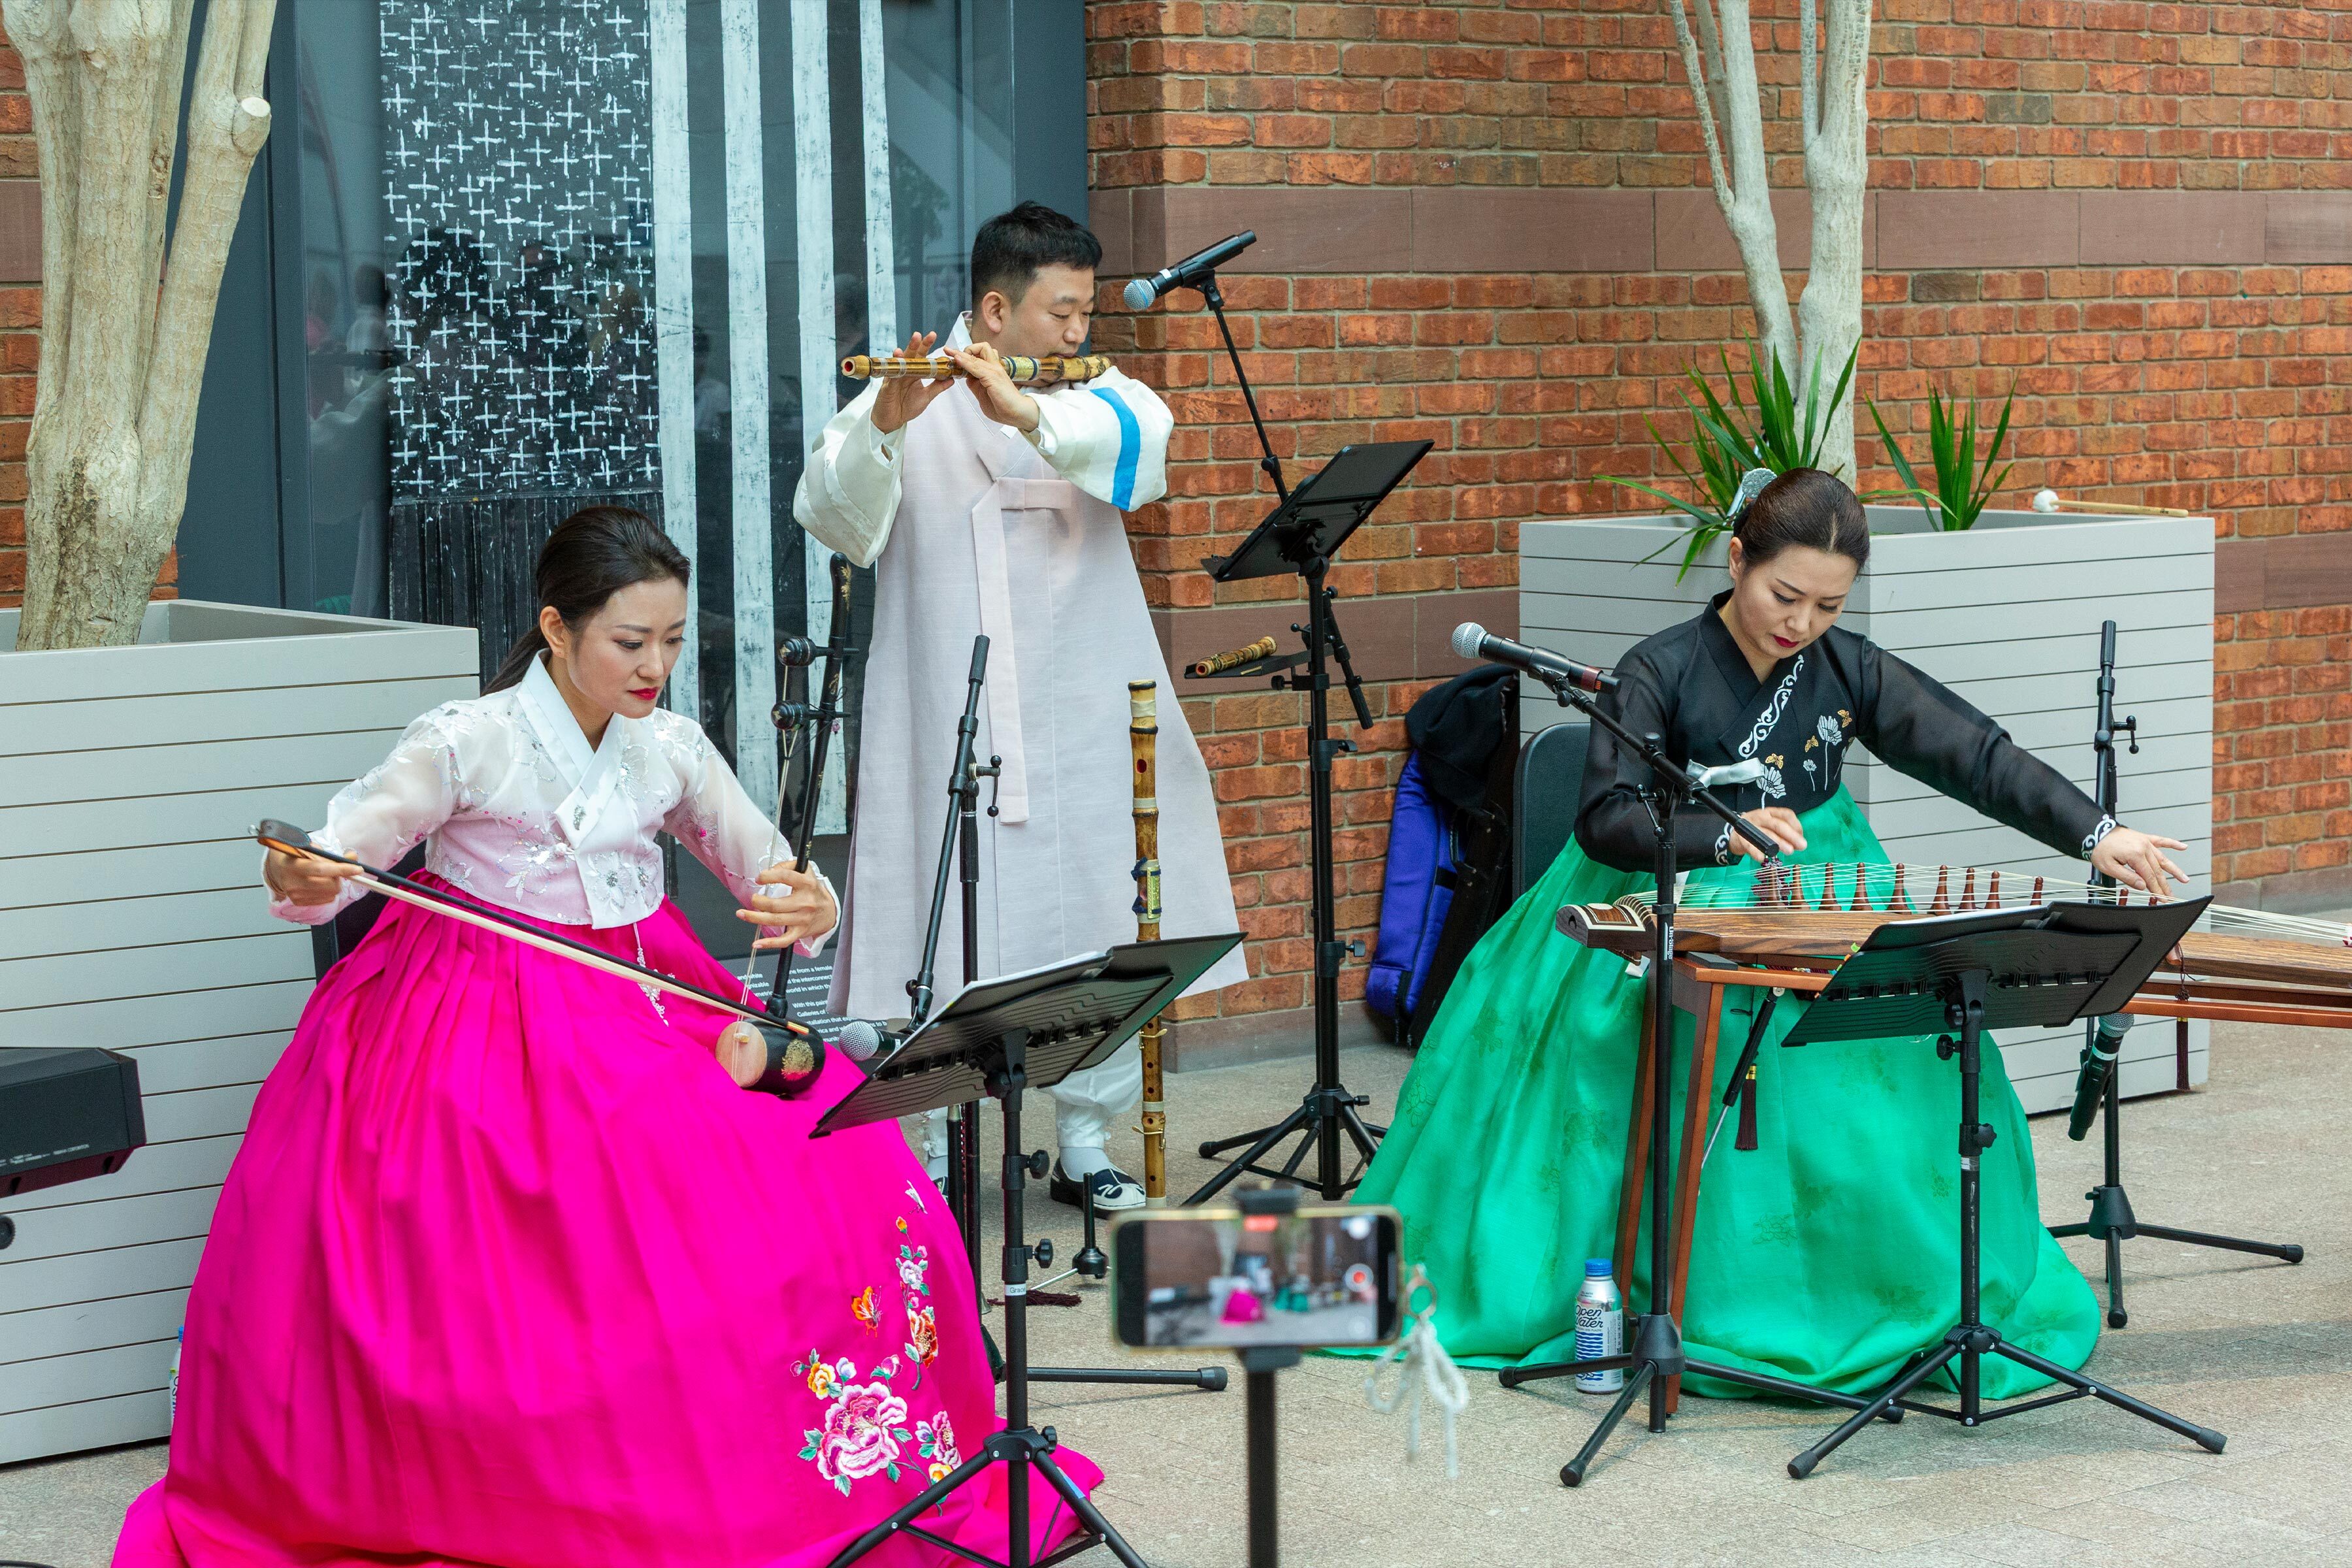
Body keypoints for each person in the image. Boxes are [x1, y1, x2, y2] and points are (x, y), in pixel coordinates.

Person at [116, 508, 1097, 1568]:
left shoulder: (665, 746)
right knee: (604, 1210)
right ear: (555, 627)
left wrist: (809, 900)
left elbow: (766, 864)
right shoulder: (466, 737)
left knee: (829, 1138)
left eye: (673, 641)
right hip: (473, 1013)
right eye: (632, 642)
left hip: (643, 988)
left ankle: (818, 1453)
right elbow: (327, 854)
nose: (657, 666)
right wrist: (299, 870)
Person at [1353, 468, 2191, 1399]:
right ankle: (1670, 1299)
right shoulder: (1657, 669)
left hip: (1822, 880)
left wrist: (2097, 832)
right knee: (1633, 1089)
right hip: (1666, 885)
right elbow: (1606, 818)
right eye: (1783, 595)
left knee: (1883, 1093)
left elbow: (1972, 753)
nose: (1800, 623)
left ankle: (1875, 1299)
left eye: (1827, 605)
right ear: (1737, 558)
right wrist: (1722, 835)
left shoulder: (1844, 667)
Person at [793, 201, 1245, 1212]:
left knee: (1102, 907)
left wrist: (1031, 411)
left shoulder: (1089, 391)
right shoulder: (911, 389)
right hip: (948, 702)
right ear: (994, 309)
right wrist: (884, 426)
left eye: (1086, 311)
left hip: (1086, 698)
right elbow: (832, 515)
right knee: (935, 907)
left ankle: (1087, 1145)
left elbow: (1146, 443)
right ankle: (916, 1162)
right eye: (1061, 312)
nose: (1080, 331)